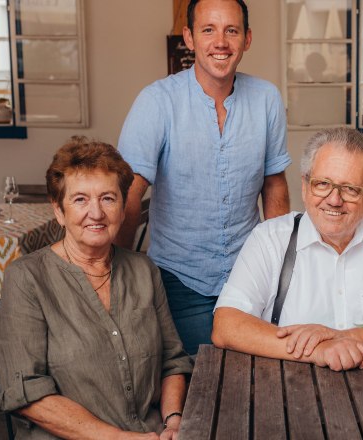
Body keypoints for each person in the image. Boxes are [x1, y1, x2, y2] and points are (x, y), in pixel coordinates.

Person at [116, 0, 291, 355]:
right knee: (192, 380)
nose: (220, 41)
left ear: (247, 38)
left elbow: (274, 183)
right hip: (179, 280)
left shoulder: (267, 99)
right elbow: (129, 192)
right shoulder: (156, 101)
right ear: (190, 38)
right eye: (208, 30)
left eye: (232, 30)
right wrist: (117, 269)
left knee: (258, 378)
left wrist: (282, 266)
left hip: (251, 274)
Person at [0, 137, 193, 439]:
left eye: (108, 198)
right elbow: (26, 393)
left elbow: (173, 361)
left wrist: (175, 421)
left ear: (124, 208)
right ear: (59, 211)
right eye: (80, 199)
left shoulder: (144, 270)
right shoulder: (27, 278)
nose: (96, 213)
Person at [211, 127, 363, 371]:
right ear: (305, 185)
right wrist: (319, 350)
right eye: (322, 184)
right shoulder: (270, 238)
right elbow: (227, 326)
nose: (334, 199)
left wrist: (344, 337)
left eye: (350, 189)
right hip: (285, 391)